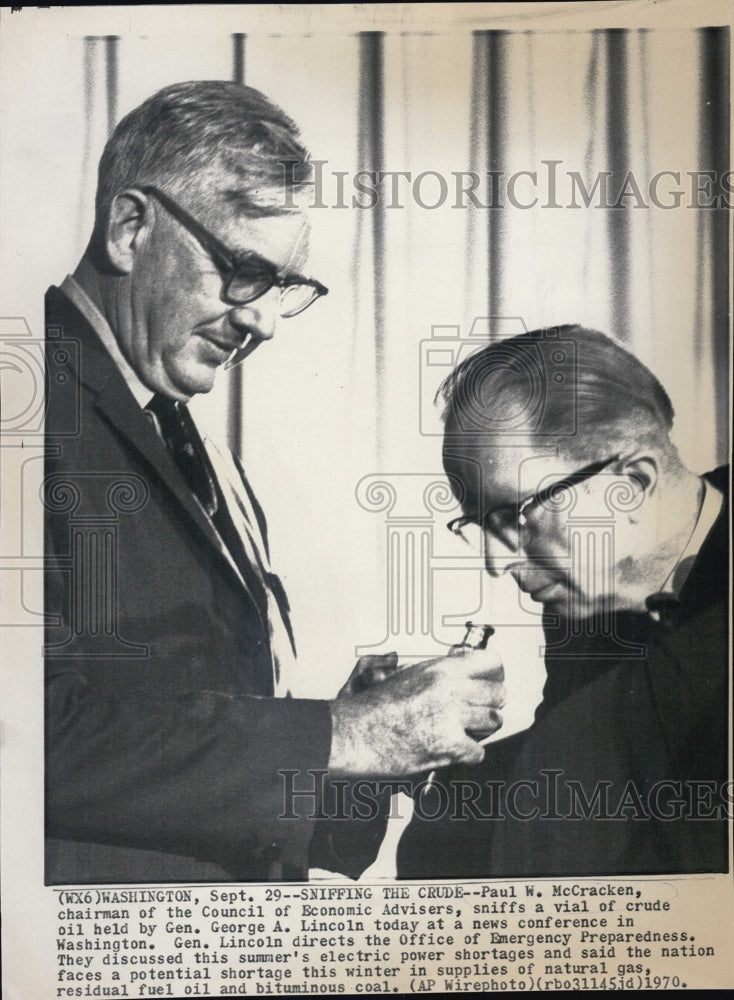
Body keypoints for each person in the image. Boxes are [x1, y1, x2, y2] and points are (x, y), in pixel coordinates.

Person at [44, 80, 506, 884]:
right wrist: (343, 734)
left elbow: (192, 760)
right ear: (129, 228)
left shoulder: (194, 447)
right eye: (242, 270)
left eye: (283, 288)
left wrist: (364, 755)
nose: (260, 320)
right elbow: (33, 737)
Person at [397, 325, 729, 878]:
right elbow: (591, 777)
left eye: (513, 517)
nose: (496, 563)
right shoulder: (585, 608)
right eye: (479, 525)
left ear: (634, 483)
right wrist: (428, 758)